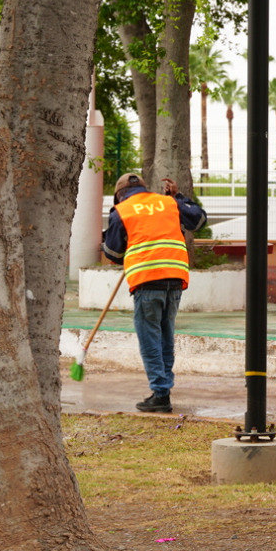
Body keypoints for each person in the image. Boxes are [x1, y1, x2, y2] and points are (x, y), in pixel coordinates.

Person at [102, 172, 208, 414]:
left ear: (119, 195)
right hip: (175, 277)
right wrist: (179, 197)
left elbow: (113, 253)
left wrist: (121, 241)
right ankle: (163, 390)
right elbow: (199, 219)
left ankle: (160, 393)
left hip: (147, 280)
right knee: (165, 335)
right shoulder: (169, 202)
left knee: (150, 338)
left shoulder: (122, 211)